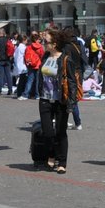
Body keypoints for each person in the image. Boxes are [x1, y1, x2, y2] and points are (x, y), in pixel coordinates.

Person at [36, 30, 81, 174]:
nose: (43, 44)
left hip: (60, 100)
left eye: (46, 42)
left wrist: (71, 103)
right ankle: (51, 154)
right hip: (45, 99)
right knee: (48, 132)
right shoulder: (45, 57)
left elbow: (72, 83)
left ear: (54, 44)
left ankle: (62, 162)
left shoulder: (66, 59)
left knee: (61, 132)